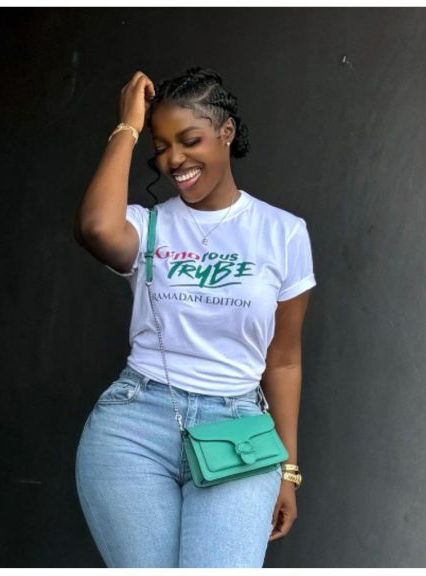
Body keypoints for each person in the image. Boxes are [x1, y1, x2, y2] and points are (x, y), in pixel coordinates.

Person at [73, 67, 314, 568]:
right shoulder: (147, 224)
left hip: (239, 431)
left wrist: (287, 469)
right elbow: (95, 228)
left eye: (190, 140)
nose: (174, 159)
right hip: (135, 424)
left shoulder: (283, 233)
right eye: (161, 146)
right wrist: (127, 126)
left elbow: (285, 360)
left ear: (225, 133)